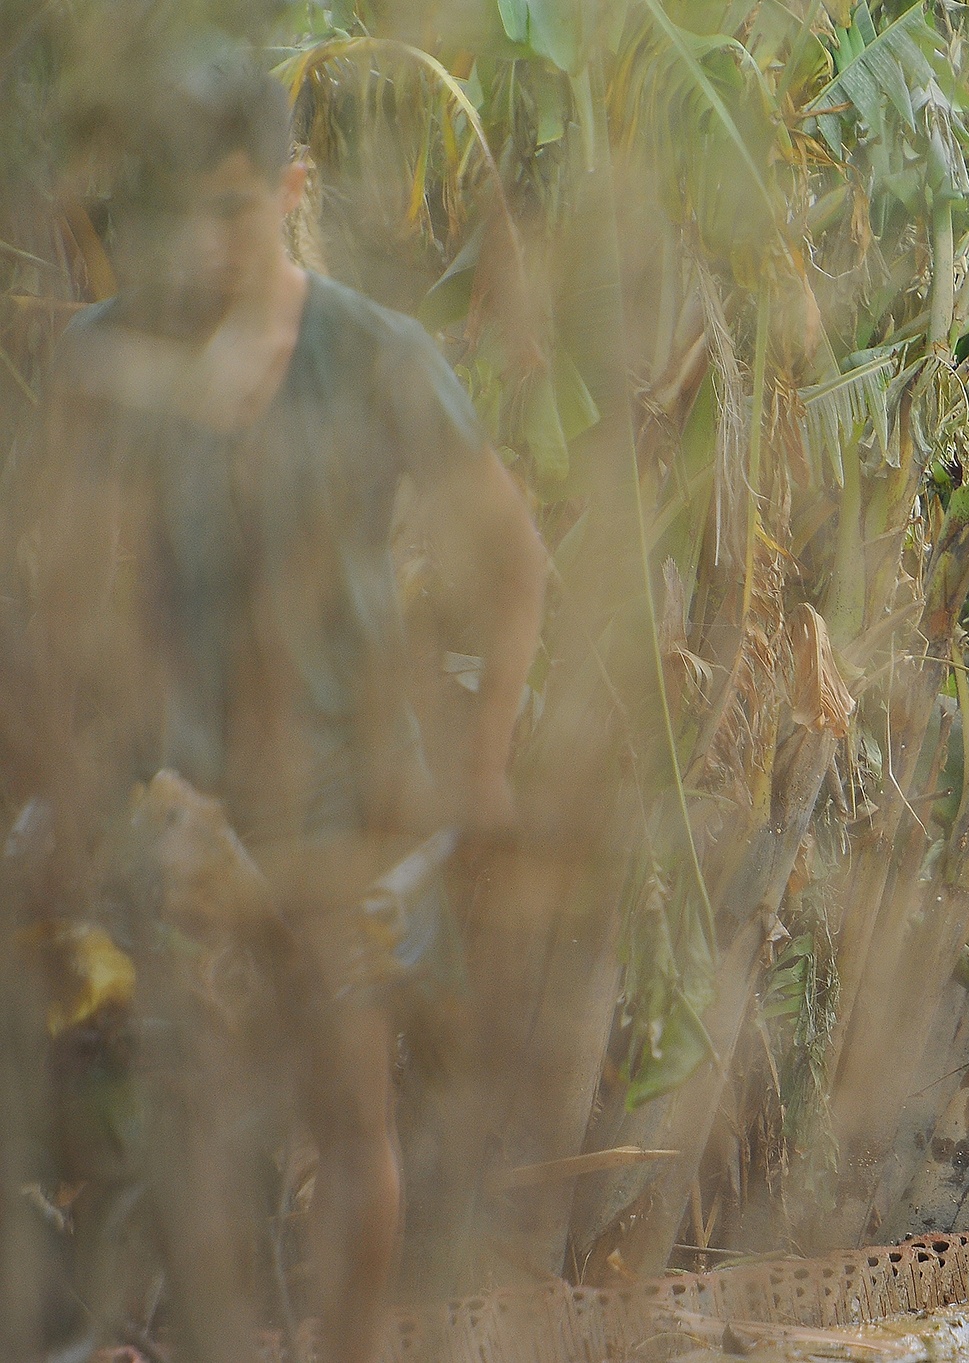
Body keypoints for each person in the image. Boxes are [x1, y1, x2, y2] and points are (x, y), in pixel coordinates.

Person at [26, 48, 547, 1363]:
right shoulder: (100, 364)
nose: (198, 244)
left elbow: (515, 565)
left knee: (346, 1114)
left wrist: (481, 773)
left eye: (229, 207)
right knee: (189, 1130)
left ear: (290, 187)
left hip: (340, 807)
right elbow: (60, 605)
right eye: (169, 214)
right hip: (166, 806)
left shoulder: (375, 355)